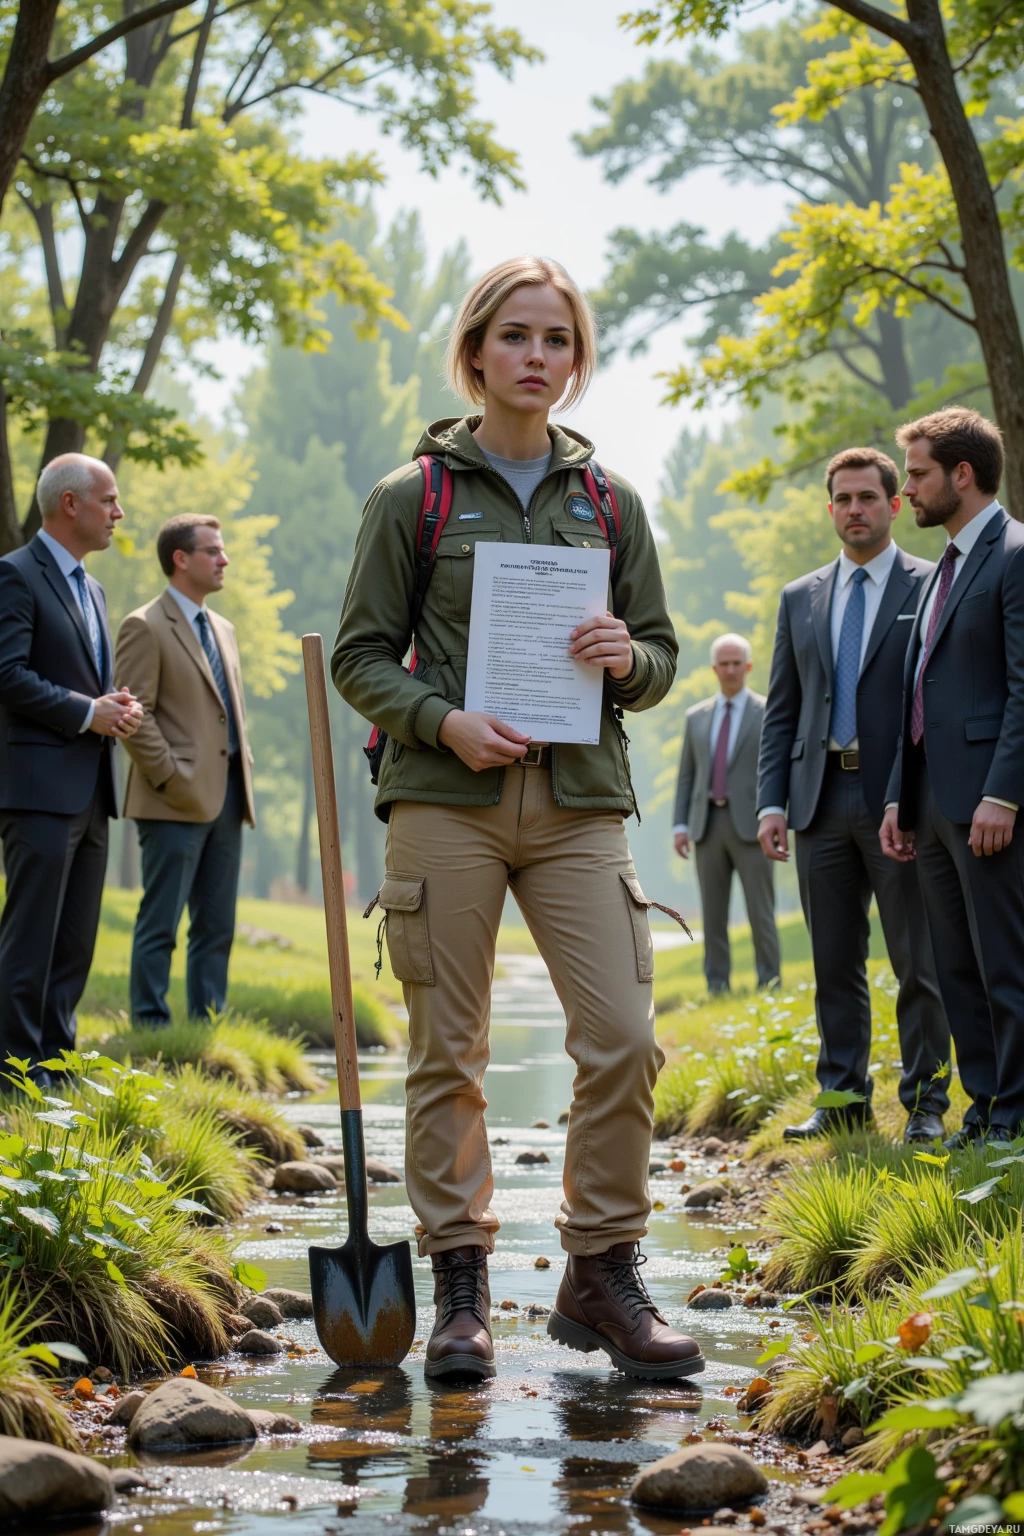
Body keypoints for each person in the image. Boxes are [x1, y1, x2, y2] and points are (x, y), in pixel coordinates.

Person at [333, 255, 704, 1385]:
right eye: (515, 336)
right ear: (475, 352)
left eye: (557, 339)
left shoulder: (612, 503)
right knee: (449, 1050)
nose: (536, 357)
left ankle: (601, 1271)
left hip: (581, 804)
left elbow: (660, 656)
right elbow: (358, 656)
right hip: (445, 802)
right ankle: (460, 1287)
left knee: (623, 1038)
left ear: (576, 360)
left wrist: (627, 657)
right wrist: (441, 721)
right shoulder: (412, 497)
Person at [758, 447, 950, 1143]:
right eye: (842, 498)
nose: (854, 509)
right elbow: (783, 708)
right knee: (833, 963)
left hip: (899, 801)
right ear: (830, 508)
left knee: (918, 962)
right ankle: (842, 1099)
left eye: (868, 497)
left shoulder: (931, 585)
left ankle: (927, 1105)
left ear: (894, 505)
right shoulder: (799, 596)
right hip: (816, 802)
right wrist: (771, 802)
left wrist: (916, 793)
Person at [881, 409, 1024, 1149]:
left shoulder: (1015, 554)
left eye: (918, 475)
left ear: (962, 475)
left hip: (989, 801)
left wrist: (1004, 793)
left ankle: (1016, 1114)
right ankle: (986, 1107)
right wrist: (899, 798)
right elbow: (921, 689)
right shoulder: (945, 564)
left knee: (1005, 962)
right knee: (957, 965)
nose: (906, 490)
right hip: (931, 799)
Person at [0, 454, 142, 1084]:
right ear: (70, 504)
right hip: (37, 793)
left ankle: (56, 1069)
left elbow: (78, 679)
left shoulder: (94, 587)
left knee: (74, 943)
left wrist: (114, 708)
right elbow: (7, 675)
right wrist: (88, 712)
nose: (118, 513)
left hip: (91, 793)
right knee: (30, 939)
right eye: (109, 501)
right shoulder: (14, 575)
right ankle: (15, 1073)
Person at [114, 514, 255, 1027]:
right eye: (212, 551)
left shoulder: (224, 629)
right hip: (170, 800)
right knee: (161, 924)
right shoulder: (143, 625)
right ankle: (150, 1024)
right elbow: (133, 716)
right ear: (180, 558)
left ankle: (207, 1025)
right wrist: (172, 777)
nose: (224, 560)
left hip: (230, 797)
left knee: (217, 926)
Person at [673, 633, 780, 993]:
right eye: (724, 664)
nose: (730, 670)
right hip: (707, 825)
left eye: (736, 663)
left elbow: (777, 768)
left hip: (753, 825)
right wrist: (680, 825)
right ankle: (717, 986)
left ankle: (770, 983)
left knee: (761, 911)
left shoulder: (768, 712)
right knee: (713, 913)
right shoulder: (695, 717)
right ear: (714, 668)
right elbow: (686, 775)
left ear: (747, 667)